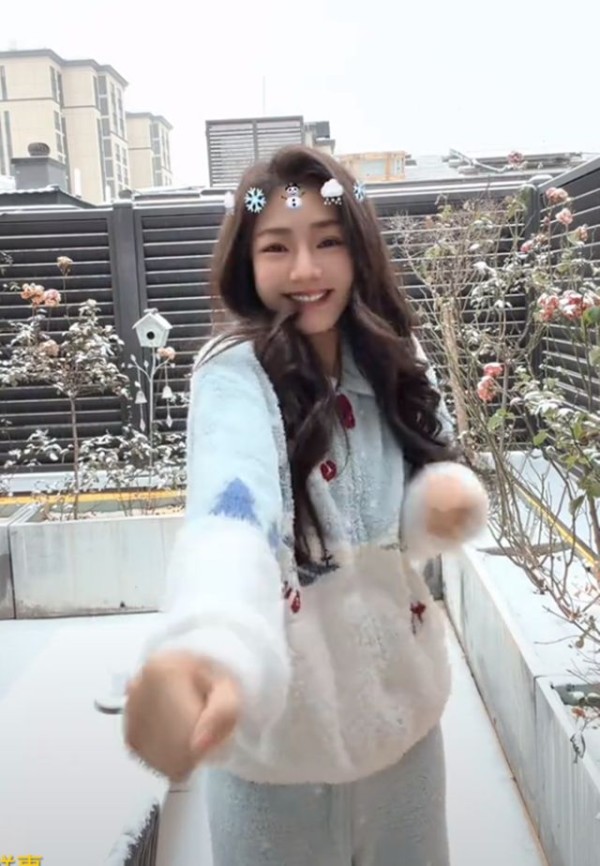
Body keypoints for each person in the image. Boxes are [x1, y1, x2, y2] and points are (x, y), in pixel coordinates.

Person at [123, 145, 489, 865]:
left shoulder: (391, 356)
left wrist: (437, 507)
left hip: (402, 732)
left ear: (359, 248)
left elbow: (398, 523)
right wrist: (212, 640)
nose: (304, 270)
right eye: (276, 247)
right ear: (246, 260)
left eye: (327, 241)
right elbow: (232, 510)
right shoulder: (234, 375)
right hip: (277, 757)